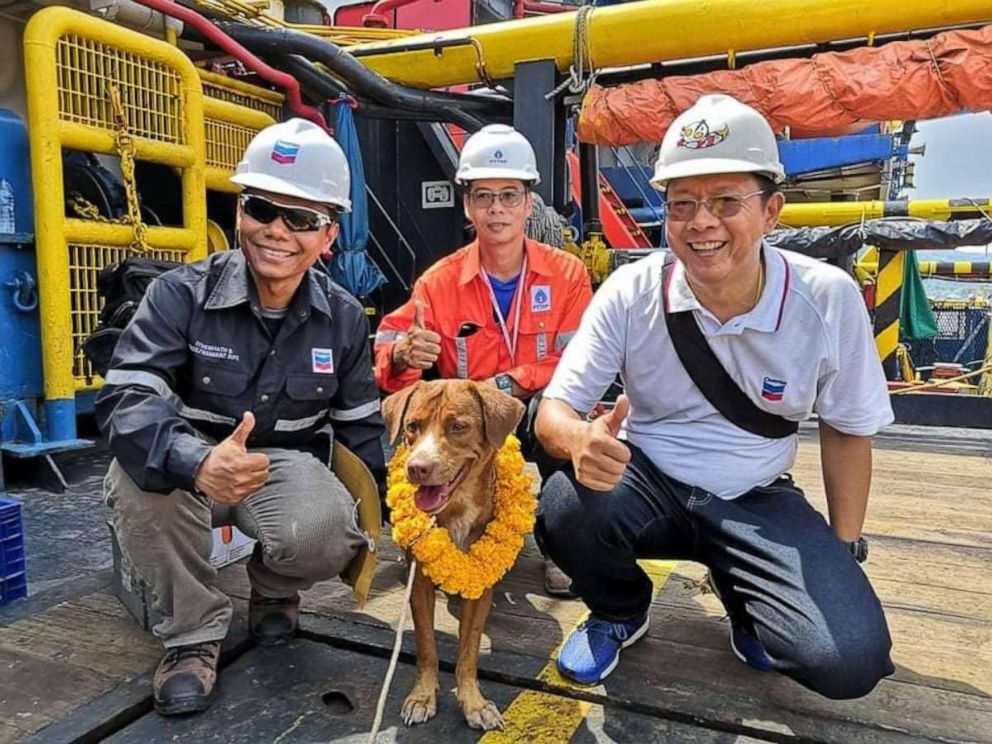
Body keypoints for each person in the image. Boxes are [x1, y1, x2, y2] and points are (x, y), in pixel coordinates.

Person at [534, 94, 895, 699]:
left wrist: (838, 552)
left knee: (849, 661)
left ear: (772, 210)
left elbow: (846, 428)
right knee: (567, 503)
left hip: (757, 495)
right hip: (648, 481)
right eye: (682, 204)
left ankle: (747, 604)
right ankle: (620, 611)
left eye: (727, 201)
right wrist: (579, 439)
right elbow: (554, 410)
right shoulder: (631, 291)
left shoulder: (826, 299)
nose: (702, 221)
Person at [96, 118, 386, 716]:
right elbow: (127, 399)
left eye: (301, 219)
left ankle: (275, 591)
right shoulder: (179, 294)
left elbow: (361, 429)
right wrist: (196, 460)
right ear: (238, 211)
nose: (276, 231)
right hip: (184, 457)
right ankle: (192, 636)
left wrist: (399, 505)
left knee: (332, 527)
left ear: (328, 235)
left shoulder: (345, 317)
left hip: (279, 465)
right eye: (261, 208)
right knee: (135, 487)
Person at [373, 124, 593, 596]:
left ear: (528, 204)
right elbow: (394, 354)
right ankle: (440, 534)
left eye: (510, 195)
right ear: (468, 205)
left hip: (536, 407)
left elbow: (579, 359)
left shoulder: (568, 274)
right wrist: (401, 354)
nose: (497, 209)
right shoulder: (438, 282)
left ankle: (561, 545)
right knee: (421, 435)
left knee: (562, 421)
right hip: (466, 418)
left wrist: (510, 385)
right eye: (484, 196)